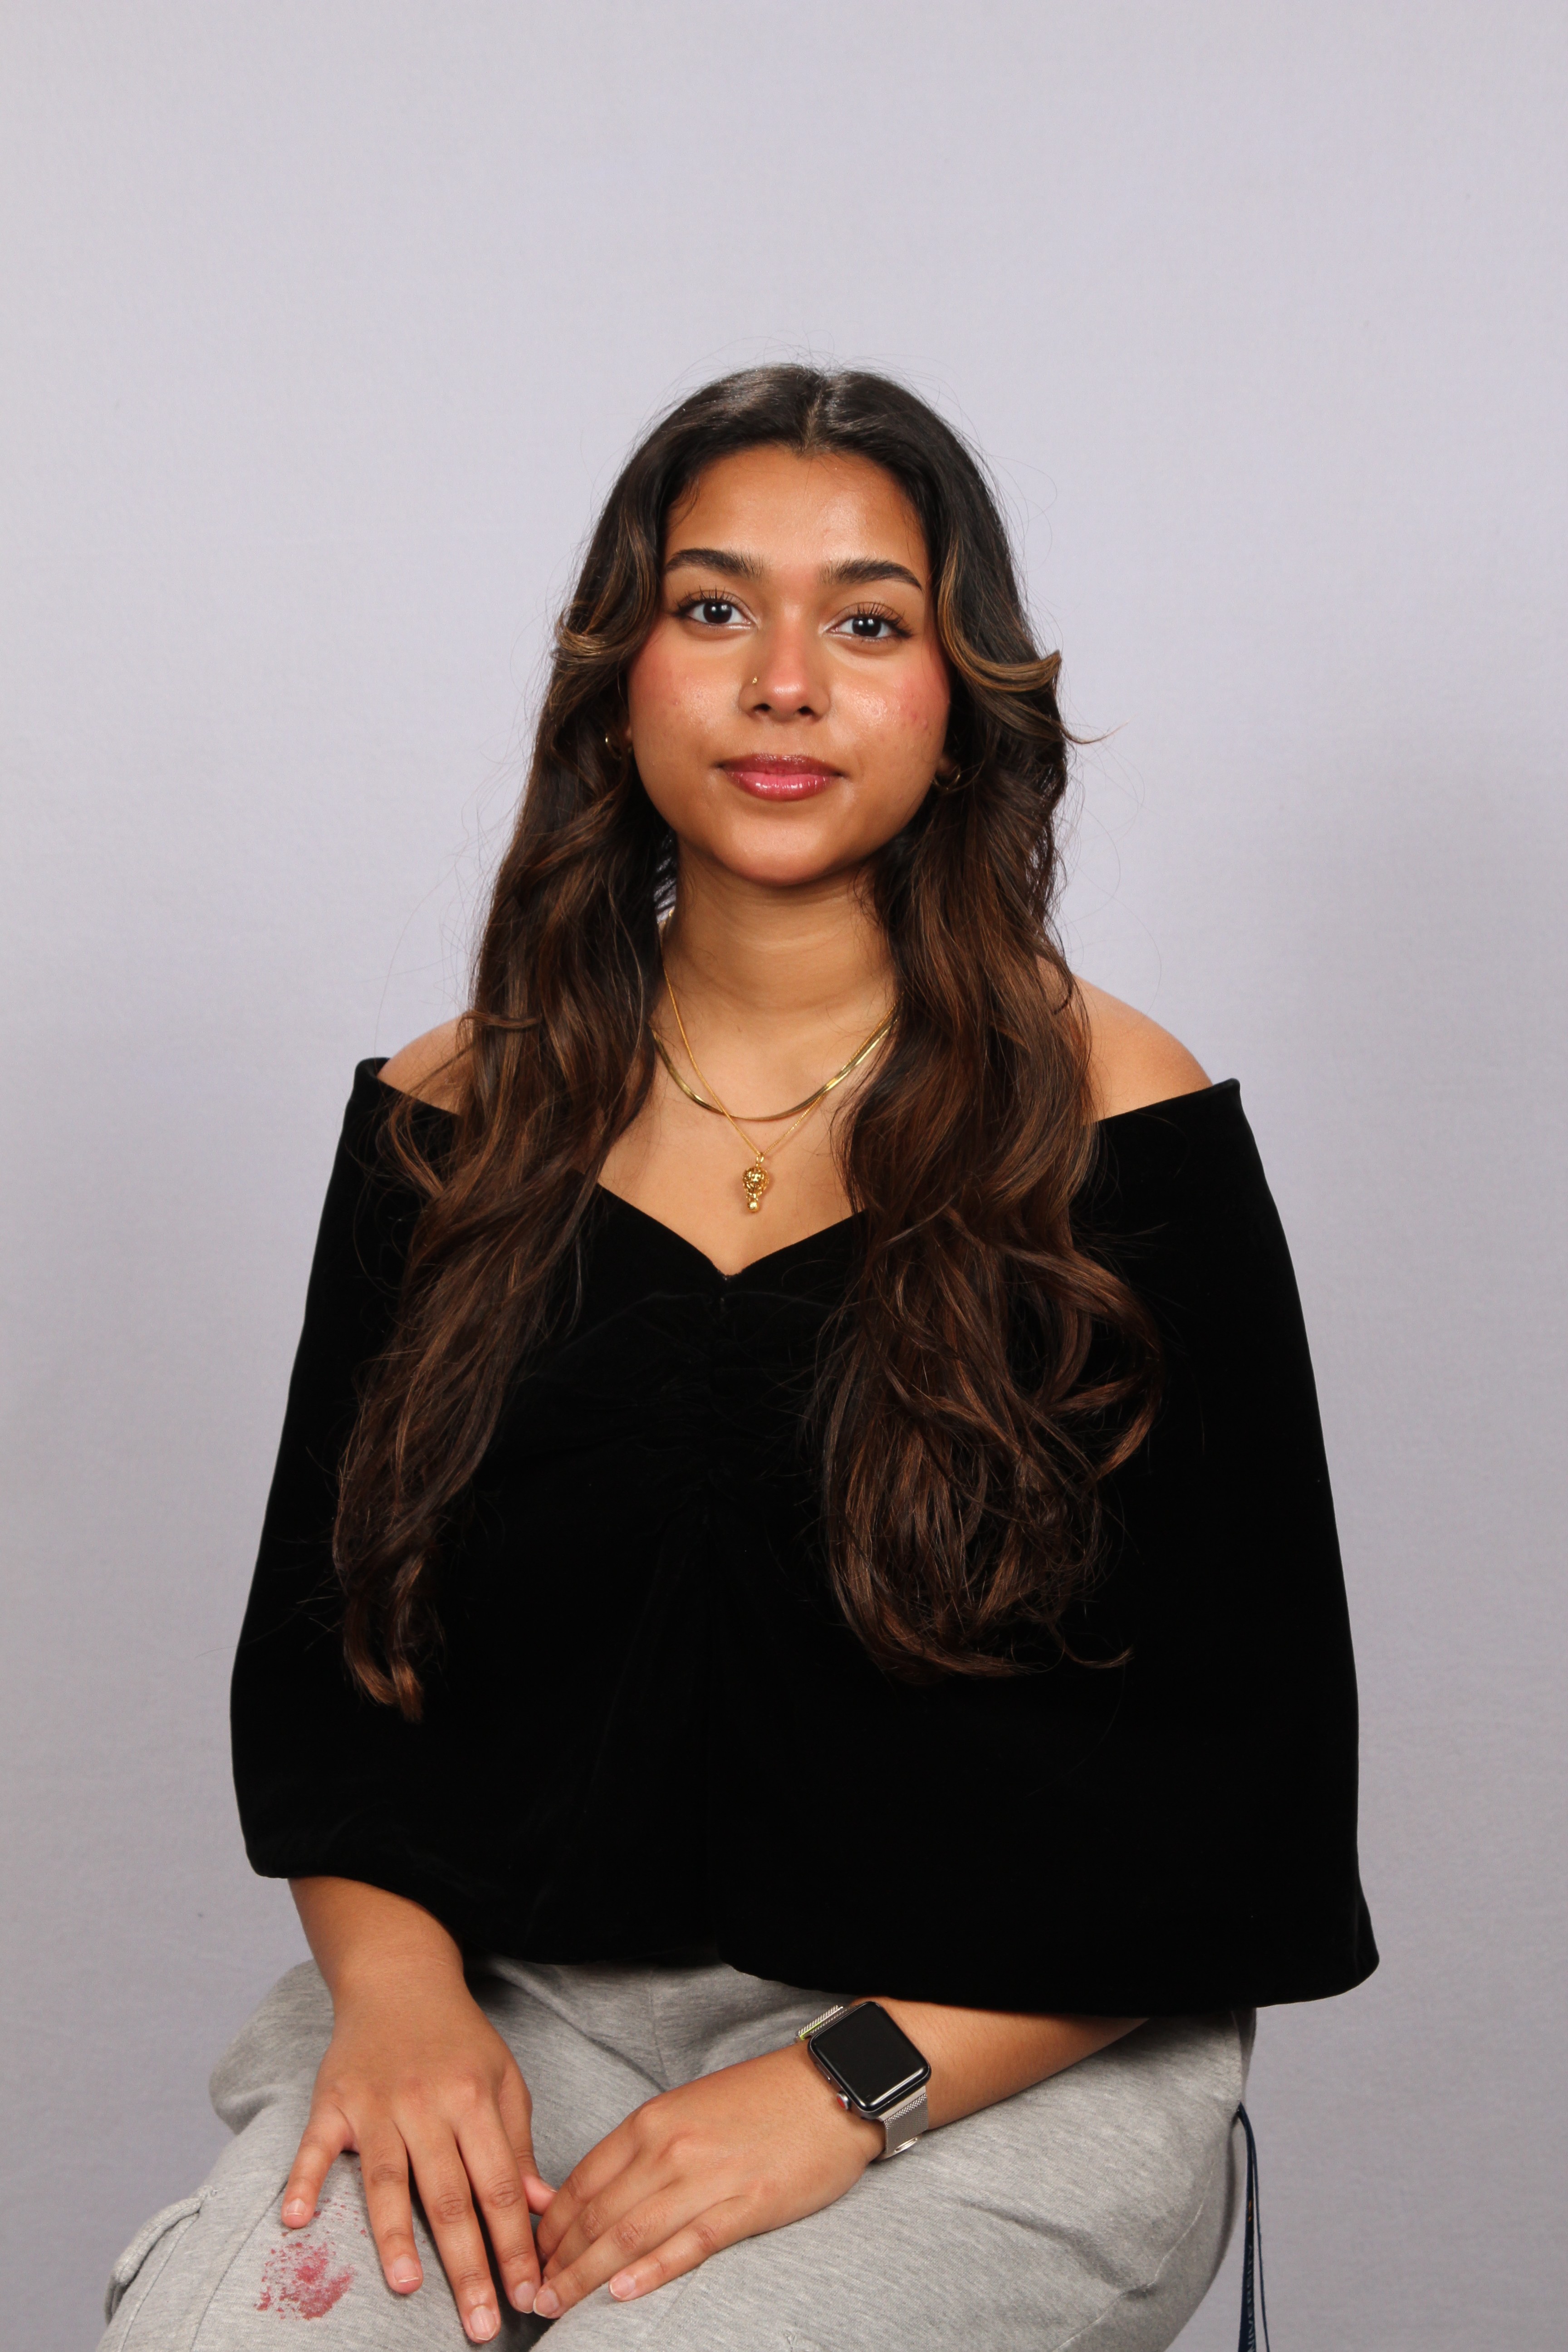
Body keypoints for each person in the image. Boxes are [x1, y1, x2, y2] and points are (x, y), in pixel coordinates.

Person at [101, 366, 1375, 2352]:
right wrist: (404, 2002)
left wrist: (840, 2087)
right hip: (527, 2020)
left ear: (961, 696)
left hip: (991, 2044)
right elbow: (331, 1684)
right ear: (620, 670)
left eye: (867, 622)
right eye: (715, 609)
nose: (786, 684)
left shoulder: (1118, 1121)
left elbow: (1251, 1777)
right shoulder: (452, 1120)